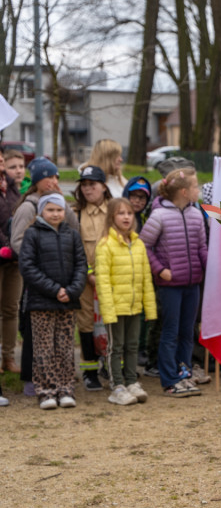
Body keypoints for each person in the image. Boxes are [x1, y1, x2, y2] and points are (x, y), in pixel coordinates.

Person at [10, 159, 79, 396]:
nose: (54, 181)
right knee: (35, 334)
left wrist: (65, 206)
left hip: (62, 278)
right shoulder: (28, 207)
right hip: (38, 282)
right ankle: (33, 378)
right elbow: (18, 240)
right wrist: (39, 265)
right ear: (37, 180)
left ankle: (62, 379)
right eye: (49, 177)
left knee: (60, 336)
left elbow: (73, 230)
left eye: (57, 177)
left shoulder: (60, 206)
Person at [139, 168, 208, 398]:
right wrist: (160, 269)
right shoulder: (159, 216)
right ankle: (169, 379)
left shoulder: (197, 215)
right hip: (170, 286)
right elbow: (144, 246)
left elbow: (201, 248)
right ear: (184, 191)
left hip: (193, 283)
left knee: (188, 331)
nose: (198, 190)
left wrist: (212, 269)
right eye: (196, 187)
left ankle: (184, 373)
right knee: (171, 332)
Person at [18, 193, 87, 409]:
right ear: (41, 212)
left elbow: (81, 265)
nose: (56, 214)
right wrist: (55, 290)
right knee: (44, 348)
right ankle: (46, 391)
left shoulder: (72, 235)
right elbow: (27, 267)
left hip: (68, 302)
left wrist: (73, 290)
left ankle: (65, 388)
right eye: (50, 210)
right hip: (42, 302)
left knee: (65, 347)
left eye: (59, 209)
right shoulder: (32, 234)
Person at [95, 197, 156, 406]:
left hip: (134, 306)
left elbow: (146, 278)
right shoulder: (105, 245)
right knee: (116, 347)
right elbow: (102, 281)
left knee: (132, 346)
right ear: (112, 217)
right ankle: (117, 386)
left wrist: (150, 308)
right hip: (115, 308)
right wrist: (108, 310)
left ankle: (131, 381)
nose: (126, 217)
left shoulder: (138, 244)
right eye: (121, 213)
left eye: (129, 213)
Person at [72, 165, 114, 391]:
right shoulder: (76, 212)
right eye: (84, 185)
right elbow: (74, 247)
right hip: (85, 278)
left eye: (93, 185)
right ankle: (90, 371)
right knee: (86, 321)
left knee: (111, 320)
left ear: (104, 187)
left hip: (112, 277)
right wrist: (88, 273)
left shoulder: (115, 210)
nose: (88, 190)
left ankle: (111, 365)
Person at [0, 148, 23, 373]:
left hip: (14, 259)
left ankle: (8, 357)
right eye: (11, 165)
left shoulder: (13, 190)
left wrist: (15, 248)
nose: (17, 171)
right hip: (2, 252)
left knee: (11, 309)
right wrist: (6, 244)